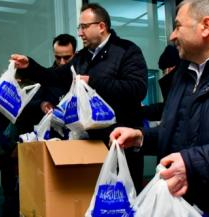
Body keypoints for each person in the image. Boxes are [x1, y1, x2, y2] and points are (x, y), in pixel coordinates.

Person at [110, 0, 209, 216]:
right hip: (184, 205)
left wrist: (192, 163)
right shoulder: (183, 73)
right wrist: (141, 137)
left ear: (206, 26)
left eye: (178, 26)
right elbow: (181, 131)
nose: (172, 36)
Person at [12, 3, 148, 192]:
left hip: (119, 146)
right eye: (79, 27)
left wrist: (93, 81)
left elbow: (137, 89)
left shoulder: (127, 50)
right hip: (87, 145)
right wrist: (30, 66)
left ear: (101, 26)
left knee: (120, 204)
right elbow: (56, 77)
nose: (80, 33)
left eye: (84, 27)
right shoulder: (82, 57)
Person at [141, 45, 180, 121]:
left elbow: (167, 109)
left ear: (170, 69)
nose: (163, 75)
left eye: (163, 71)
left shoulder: (181, 87)